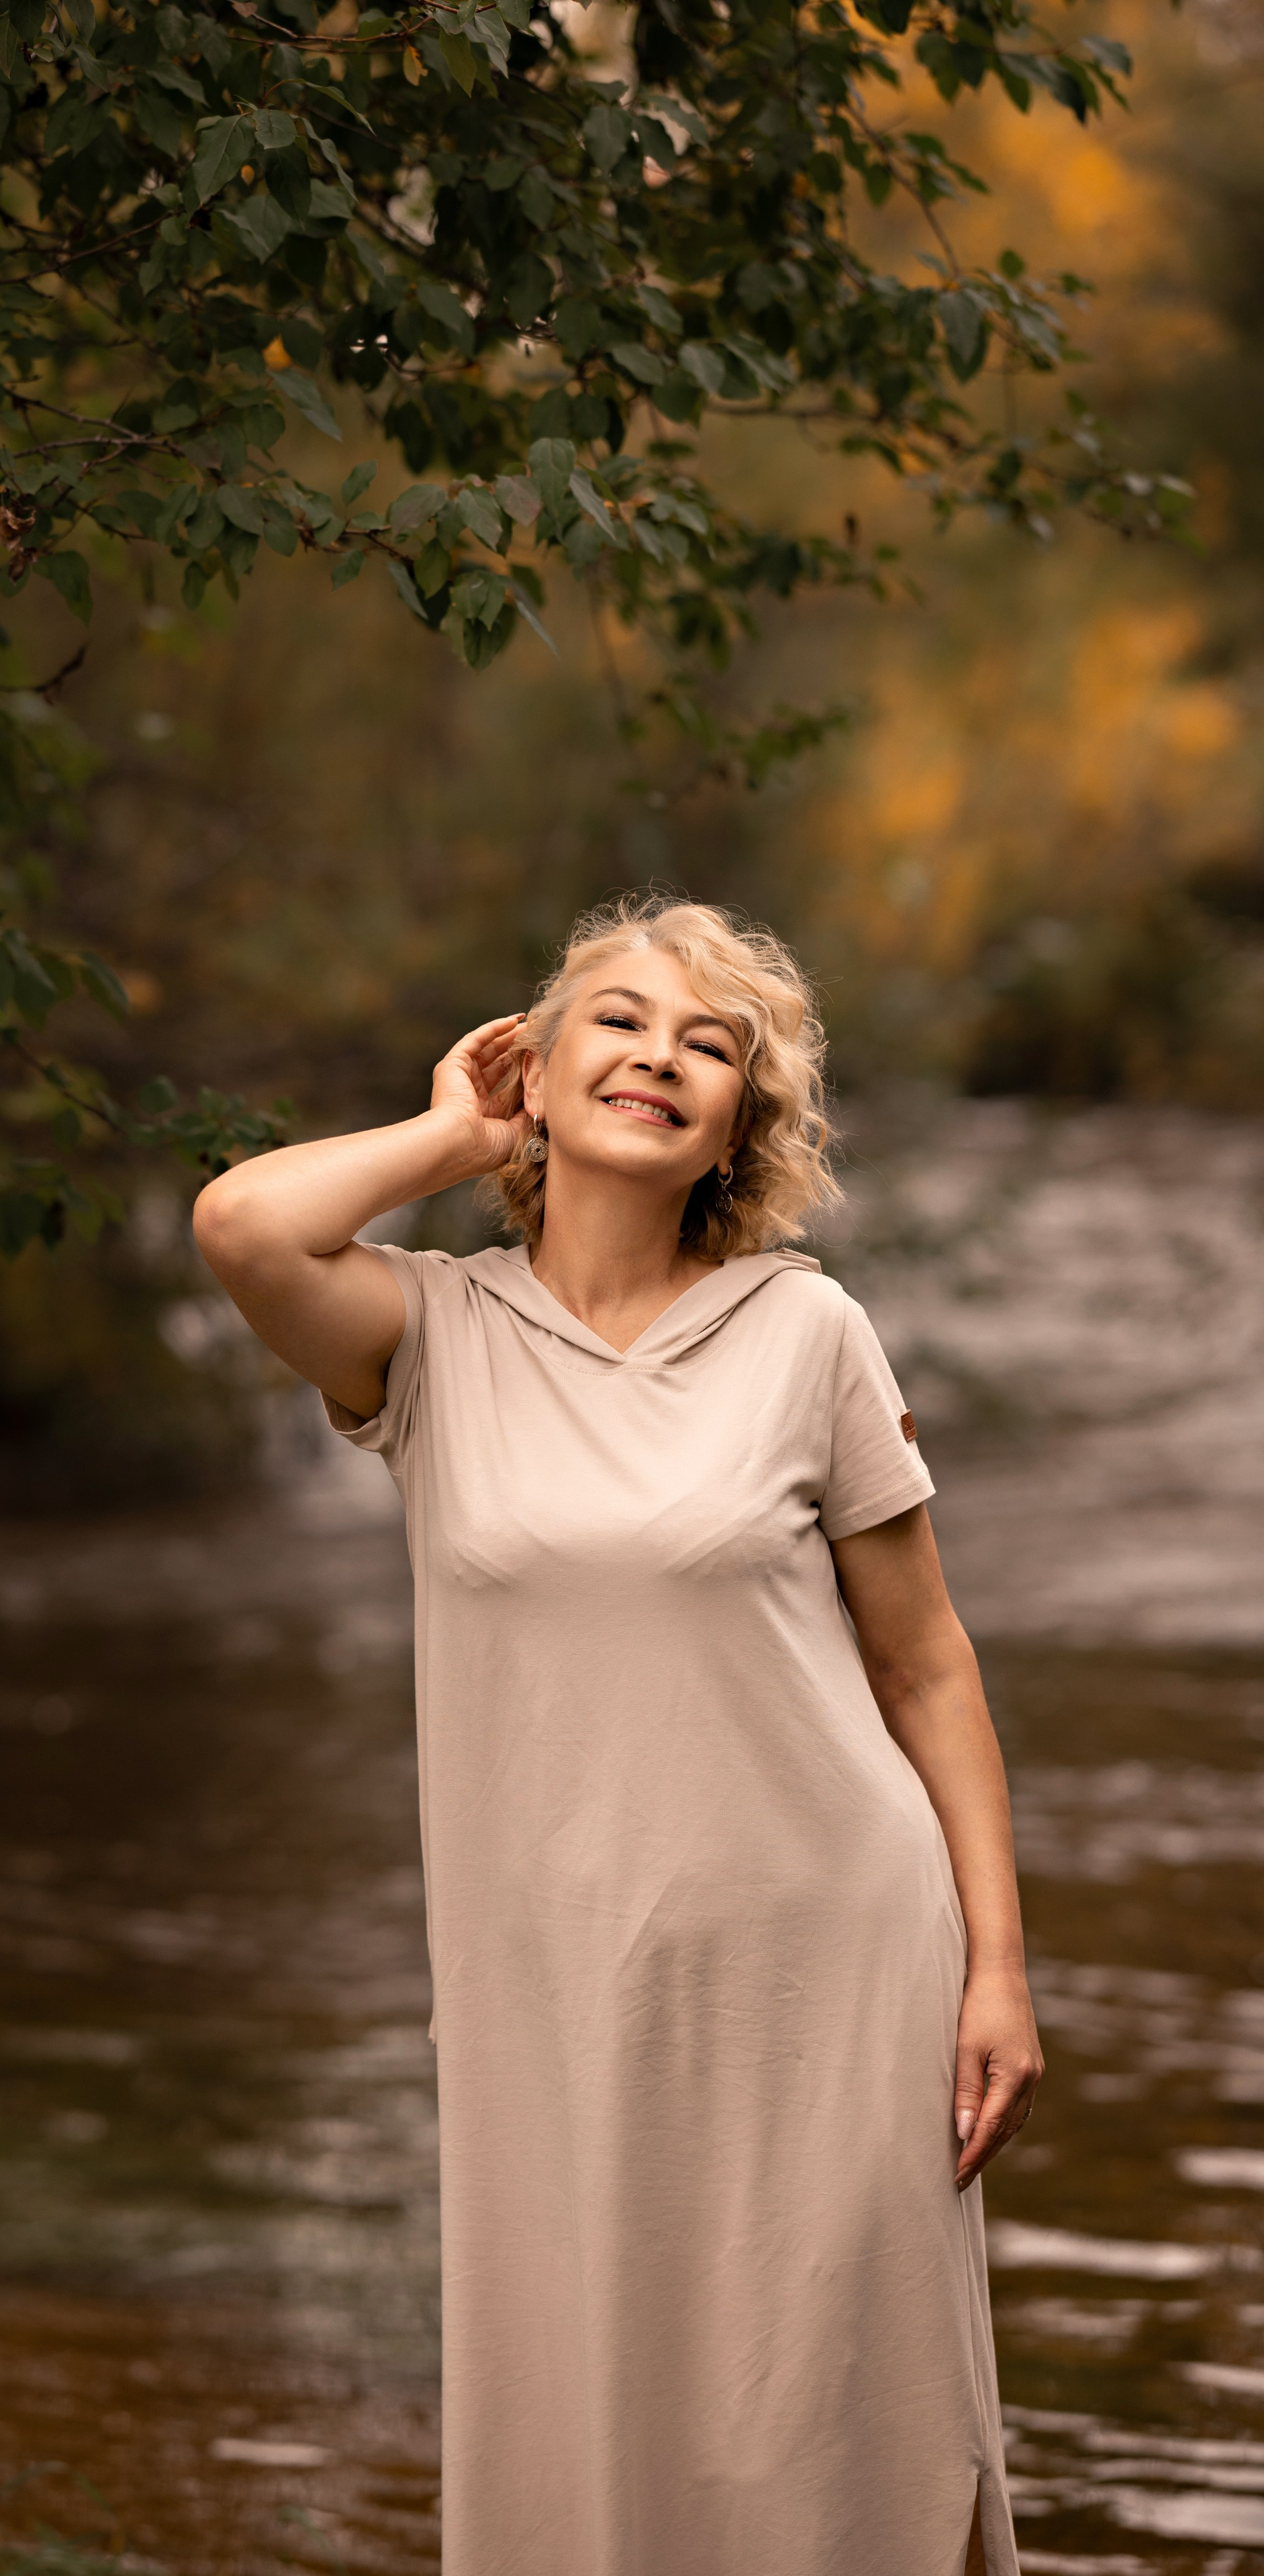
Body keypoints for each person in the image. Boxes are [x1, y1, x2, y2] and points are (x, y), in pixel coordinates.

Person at [193, 895, 1041, 2576]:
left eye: (708, 1043)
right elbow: (242, 1224)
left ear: (740, 1119)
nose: (660, 1055)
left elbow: (928, 1666)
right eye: (621, 1019)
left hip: (832, 1955)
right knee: (585, 2391)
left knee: (833, 2405)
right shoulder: (427, 1328)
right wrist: (446, 1129)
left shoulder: (809, 1332)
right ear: (540, 1057)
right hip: (556, 1978)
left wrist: (997, 1968)